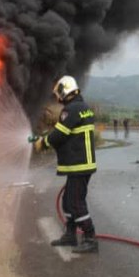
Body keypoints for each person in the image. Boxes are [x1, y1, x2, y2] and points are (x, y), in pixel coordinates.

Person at [33, 75, 99, 253]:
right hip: (80, 165)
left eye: (58, 93)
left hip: (79, 166)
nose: (57, 98)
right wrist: (48, 136)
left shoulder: (71, 110)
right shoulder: (82, 108)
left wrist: (42, 143)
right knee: (68, 202)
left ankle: (90, 237)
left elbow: (59, 135)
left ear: (64, 91)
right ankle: (70, 235)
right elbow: (66, 132)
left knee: (76, 203)